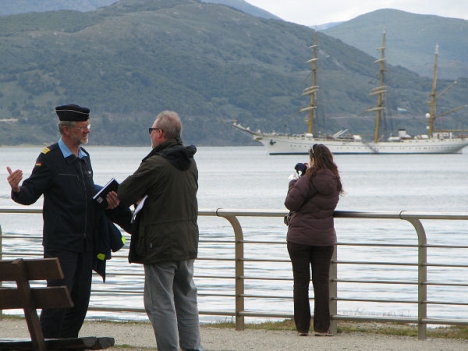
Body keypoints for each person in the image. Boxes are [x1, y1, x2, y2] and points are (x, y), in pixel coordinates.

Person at [6, 104, 121, 338]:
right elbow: (29, 194)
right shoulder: (50, 158)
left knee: (79, 305)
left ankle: (66, 345)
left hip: (86, 244)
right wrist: (17, 187)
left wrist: (107, 201)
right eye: (82, 127)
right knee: (56, 303)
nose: (87, 130)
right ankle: (45, 344)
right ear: (66, 130)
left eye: (88, 126)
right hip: (61, 246)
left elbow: (86, 195)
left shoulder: (85, 158)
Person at [113, 110, 204, 351]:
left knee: (160, 302)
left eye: (152, 130)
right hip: (186, 242)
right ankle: (193, 348)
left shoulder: (155, 164)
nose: (151, 134)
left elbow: (123, 193)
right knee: (186, 299)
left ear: (160, 134)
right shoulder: (190, 163)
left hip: (160, 244)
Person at [284, 143, 343, 337]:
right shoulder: (334, 180)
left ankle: (302, 328)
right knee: (321, 283)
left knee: (301, 282)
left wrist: (294, 182)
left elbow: (290, 203)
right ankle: (321, 327)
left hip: (299, 237)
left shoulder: (307, 179)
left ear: (313, 159)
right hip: (324, 238)